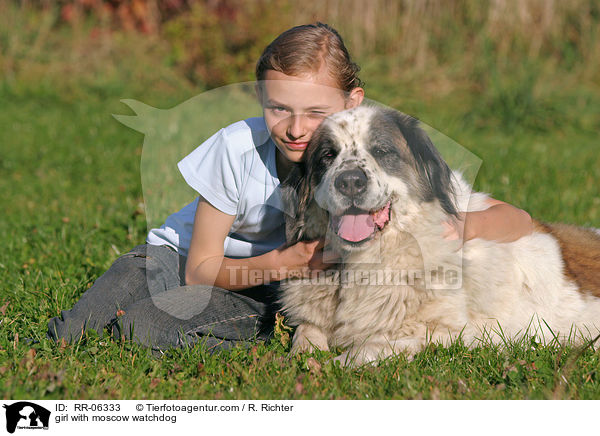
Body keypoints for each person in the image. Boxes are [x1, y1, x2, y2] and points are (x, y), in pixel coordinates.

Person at [47, 22, 533, 352]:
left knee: (141, 325)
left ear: (351, 101)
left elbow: (519, 220)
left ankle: (149, 328)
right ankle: (45, 368)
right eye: (278, 108)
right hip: (184, 260)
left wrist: (468, 222)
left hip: (261, 290)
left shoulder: (384, 153)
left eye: (317, 112)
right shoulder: (236, 149)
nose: (297, 128)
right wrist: (284, 262)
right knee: (81, 322)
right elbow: (199, 268)